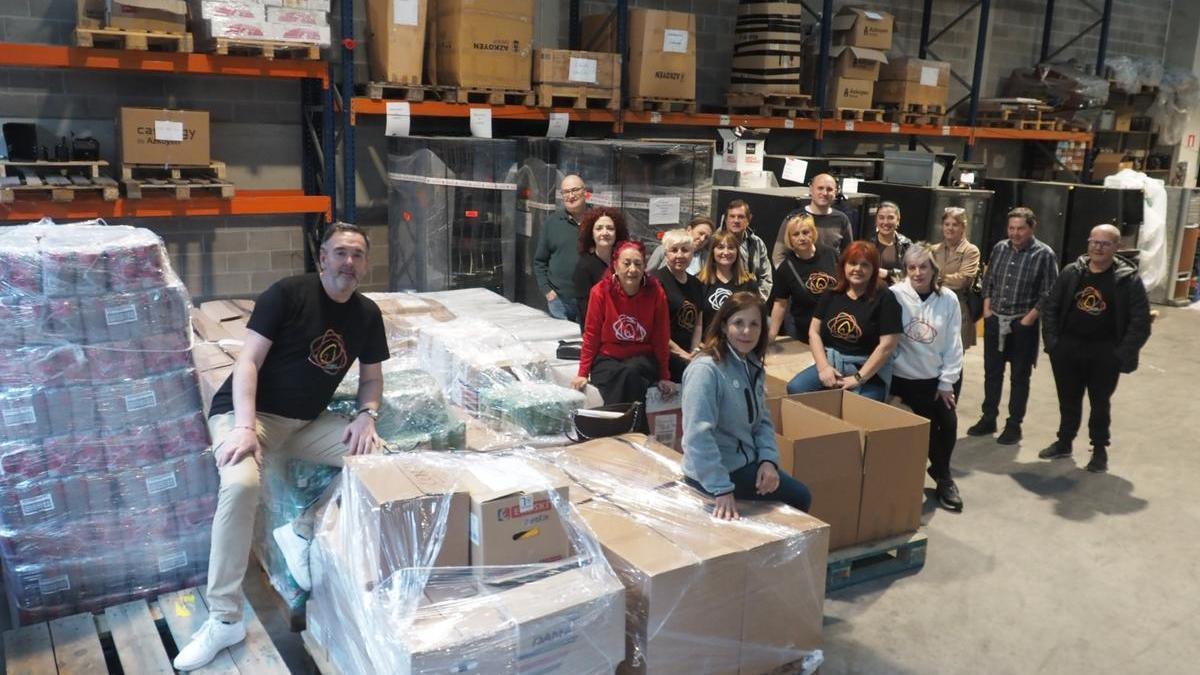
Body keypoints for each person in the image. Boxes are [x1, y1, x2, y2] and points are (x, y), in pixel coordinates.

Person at [173, 223, 389, 671]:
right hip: (251, 418)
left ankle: (303, 528)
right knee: (239, 485)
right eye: (340, 253)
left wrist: (367, 415)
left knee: (378, 461)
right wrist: (246, 427)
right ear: (322, 258)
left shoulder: (367, 314)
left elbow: (371, 377)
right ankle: (224, 618)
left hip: (306, 422)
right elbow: (248, 362)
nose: (348, 263)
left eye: (357, 255)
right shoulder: (287, 294)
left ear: (365, 264)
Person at [681, 292, 813, 520]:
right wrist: (720, 487)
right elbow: (697, 436)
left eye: (754, 325)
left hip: (745, 462)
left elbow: (762, 420)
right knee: (800, 496)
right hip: (716, 471)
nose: (746, 332)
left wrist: (768, 460)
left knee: (792, 490)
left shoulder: (750, 365)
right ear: (724, 326)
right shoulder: (706, 370)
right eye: (738, 323)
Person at [1038, 224, 1151, 473]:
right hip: (1068, 350)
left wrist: (1120, 354)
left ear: (1117, 247)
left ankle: (1099, 450)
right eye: (1094, 242)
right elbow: (1051, 307)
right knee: (1068, 400)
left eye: (1105, 243)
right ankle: (1064, 442)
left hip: (1105, 353)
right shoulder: (1071, 272)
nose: (1098, 247)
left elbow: (1141, 322)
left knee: (1100, 404)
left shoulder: (1127, 280)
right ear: (1088, 243)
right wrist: (1053, 344)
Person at [967, 207, 1059, 445]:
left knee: (1020, 377)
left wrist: (1028, 319)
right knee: (992, 373)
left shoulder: (1044, 254)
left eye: (1021, 228)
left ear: (1032, 228)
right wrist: (987, 310)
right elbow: (989, 281)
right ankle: (989, 418)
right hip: (995, 320)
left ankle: (1014, 425)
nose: (1015, 233)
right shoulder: (1000, 248)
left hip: (1022, 325)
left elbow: (1050, 292)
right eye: (1012, 228)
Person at [890, 246, 965, 511]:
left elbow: (954, 344)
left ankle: (943, 476)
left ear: (934, 269)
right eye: (911, 267)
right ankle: (900, 483)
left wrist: (947, 382)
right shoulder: (895, 295)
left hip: (935, 380)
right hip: (902, 379)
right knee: (911, 435)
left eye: (923, 266)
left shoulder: (948, 299)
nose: (918, 272)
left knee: (947, 424)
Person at [572, 241, 677, 430]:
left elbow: (661, 337)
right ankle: (634, 429)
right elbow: (592, 334)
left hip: (642, 359)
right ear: (615, 265)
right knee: (626, 374)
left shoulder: (656, 292)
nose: (632, 269)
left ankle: (618, 428)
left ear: (645, 266)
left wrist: (664, 375)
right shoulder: (600, 292)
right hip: (608, 358)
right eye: (626, 263)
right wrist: (582, 373)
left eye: (638, 263)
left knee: (632, 371)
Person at [786, 241, 902, 402]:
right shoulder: (831, 294)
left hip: (868, 370)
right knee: (796, 388)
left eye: (865, 265)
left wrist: (858, 378)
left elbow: (887, 346)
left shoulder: (886, 298)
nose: (857, 269)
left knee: (859, 407)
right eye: (852, 263)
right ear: (844, 266)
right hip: (832, 363)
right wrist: (823, 368)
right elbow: (814, 332)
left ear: (874, 270)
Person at [767, 212, 838, 343]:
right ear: (789, 239)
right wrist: (771, 335)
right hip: (803, 331)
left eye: (806, 232)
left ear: (813, 233)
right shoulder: (785, 268)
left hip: (833, 327)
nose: (801, 238)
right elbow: (780, 304)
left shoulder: (831, 254)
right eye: (796, 234)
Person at [533, 174, 590, 321]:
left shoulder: (599, 221)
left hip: (590, 302)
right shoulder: (552, 223)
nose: (570, 195)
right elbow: (539, 262)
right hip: (559, 303)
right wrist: (547, 291)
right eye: (566, 192)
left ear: (585, 192)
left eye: (575, 190)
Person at [653, 228, 705, 382]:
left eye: (685, 250)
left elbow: (698, 324)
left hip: (689, 353)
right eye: (674, 250)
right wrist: (683, 354)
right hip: (664, 352)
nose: (679, 255)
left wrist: (694, 351)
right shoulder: (656, 282)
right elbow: (654, 328)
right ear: (666, 253)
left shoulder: (696, 283)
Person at [772, 173, 854, 266]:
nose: (824, 193)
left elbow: (849, 255)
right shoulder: (794, 218)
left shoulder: (842, 220)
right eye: (820, 188)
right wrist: (791, 277)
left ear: (835, 192)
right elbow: (778, 256)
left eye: (829, 189)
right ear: (811, 190)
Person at [931, 207, 982, 351]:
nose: (950, 228)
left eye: (955, 224)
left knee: (954, 357)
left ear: (963, 227)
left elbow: (963, 280)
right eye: (947, 224)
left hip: (959, 308)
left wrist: (935, 278)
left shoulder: (970, 251)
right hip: (934, 306)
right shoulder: (934, 250)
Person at [573, 206, 630, 328]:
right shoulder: (584, 266)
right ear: (591, 234)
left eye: (610, 228)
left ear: (617, 233)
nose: (605, 232)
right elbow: (585, 310)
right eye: (599, 228)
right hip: (600, 333)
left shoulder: (625, 262)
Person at [697, 230, 759, 331]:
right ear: (713, 251)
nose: (726, 252)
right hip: (706, 344)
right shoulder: (699, 282)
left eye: (731, 247)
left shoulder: (749, 283)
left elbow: (756, 317)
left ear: (737, 252)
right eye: (720, 247)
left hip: (739, 342)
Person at [721, 200, 773, 300]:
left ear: (748, 219)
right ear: (726, 219)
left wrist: (757, 302)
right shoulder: (714, 242)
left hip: (750, 303)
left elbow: (766, 277)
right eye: (732, 216)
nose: (736, 220)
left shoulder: (757, 243)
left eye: (741, 217)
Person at [648, 215, 713, 275]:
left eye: (706, 237)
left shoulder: (706, 258)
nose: (702, 239)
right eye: (700, 233)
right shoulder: (665, 248)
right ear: (689, 229)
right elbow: (648, 274)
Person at [871, 201, 913, 283]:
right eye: (881, 217)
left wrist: (888, 273)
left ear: (898, 220)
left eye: (890, 218)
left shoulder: (907, 245)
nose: (885, 222)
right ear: (876, 220)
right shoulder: (867, 244)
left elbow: (913, 274)